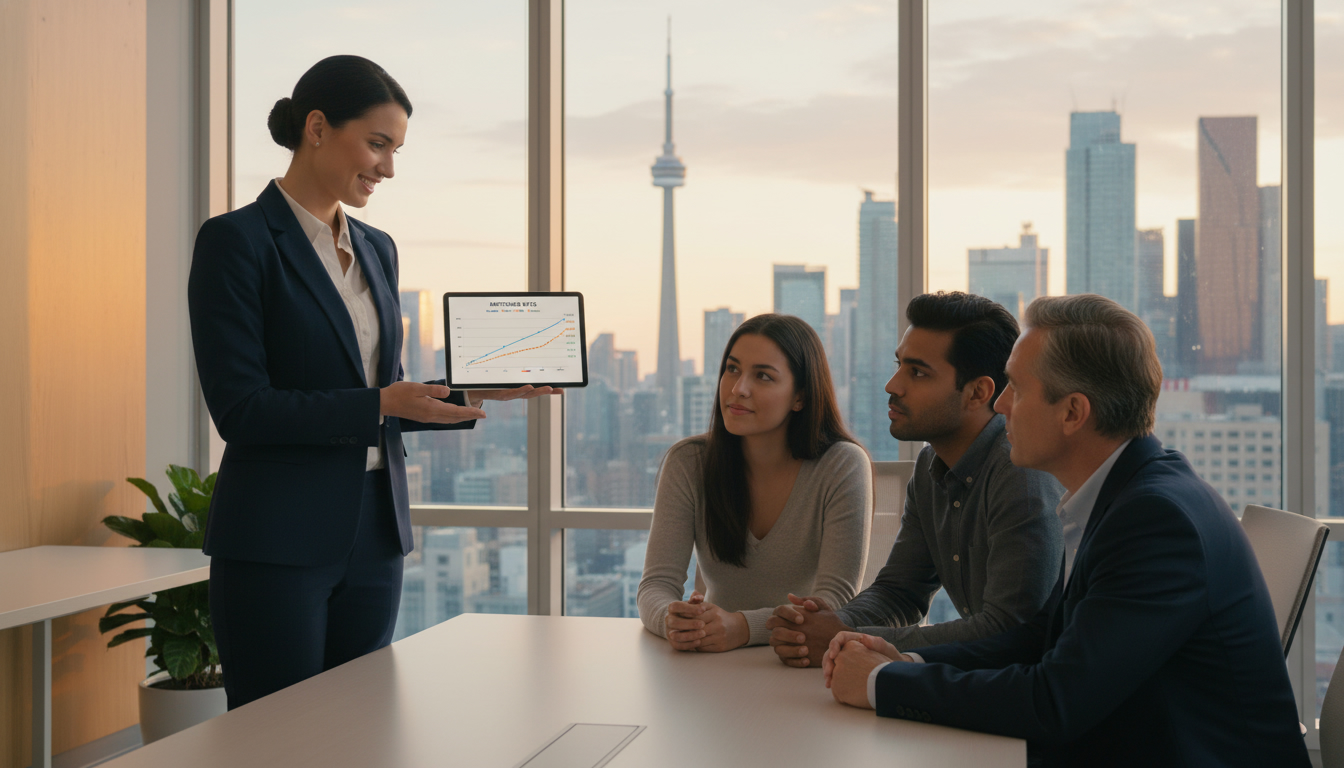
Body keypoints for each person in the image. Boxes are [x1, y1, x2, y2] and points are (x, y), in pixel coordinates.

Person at [188, 56, 555, 710]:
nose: (388, 168)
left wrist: (468, 394)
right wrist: (380, 402)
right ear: (319, 128)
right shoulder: (237, 242)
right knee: (280, 739)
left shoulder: (378, 247)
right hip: (277, 539)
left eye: (396, 150)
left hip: (374, 534)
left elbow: (377, 396)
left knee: (360, 731)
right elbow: (242, 410)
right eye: (378, 144)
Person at [824, 294, 1309, 766]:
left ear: (1073, 412)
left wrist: (882, 683)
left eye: (1016, 387)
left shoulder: (1156, 520)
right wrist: (906, 664)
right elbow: (1037, 638)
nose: (1001, 405)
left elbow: (1055, 701)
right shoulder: (1121, 496)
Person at [767, 292, 1063, 668]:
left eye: (918, 372)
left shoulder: (1019, 472)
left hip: (1037, 705)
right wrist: (829, 623)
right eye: (899, 365)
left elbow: (1009, 630)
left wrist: (850, 637)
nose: (893, 385)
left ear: (978, 392)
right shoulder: (929, 466)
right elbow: (900, 593)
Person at [638, 314, 872, 651]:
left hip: (801, 662)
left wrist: (744, 628)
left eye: (762, 376)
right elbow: (656, 585)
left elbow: (834, 600)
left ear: (800, 397)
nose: (738, 389)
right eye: (732, 369)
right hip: (711, 664)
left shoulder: (842, 465)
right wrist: (673, 621)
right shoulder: (689, 462)